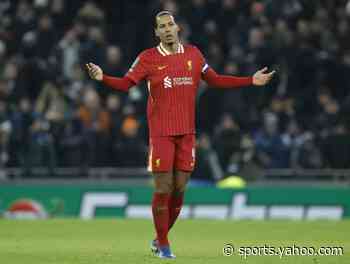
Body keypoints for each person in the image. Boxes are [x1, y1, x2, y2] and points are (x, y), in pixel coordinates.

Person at [86, 10, 275, 259]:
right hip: (161, 133)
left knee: (179, 189)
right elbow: (126, 83)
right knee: (164, 187)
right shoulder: (148, 58)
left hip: (187, 133)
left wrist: (251, 80)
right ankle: (164, 244)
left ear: (177, 28)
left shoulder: (194, 54)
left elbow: (216, 80)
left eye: (170, 24)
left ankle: (158, 238)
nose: (166, 29)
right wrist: (103, 78)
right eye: (161, 26)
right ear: (156, 32)